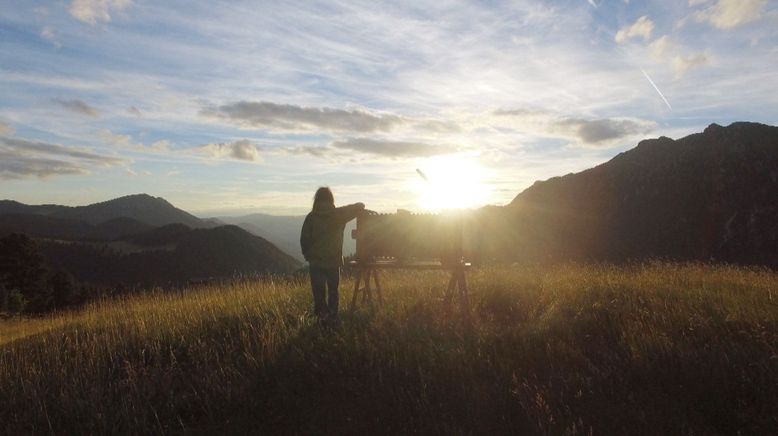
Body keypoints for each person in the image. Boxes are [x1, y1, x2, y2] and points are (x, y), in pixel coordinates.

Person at [300, 187, 365, 325]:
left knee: (319, 295)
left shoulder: (311, 217)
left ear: (316, 200)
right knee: (333, 293)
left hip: (316, 263)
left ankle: (322, 321)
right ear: (331, 199)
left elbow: (304, 240)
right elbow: (356, 207)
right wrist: (360, 205)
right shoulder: (338, 215)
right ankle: (333, 319)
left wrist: (308, 255)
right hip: (333, 262)